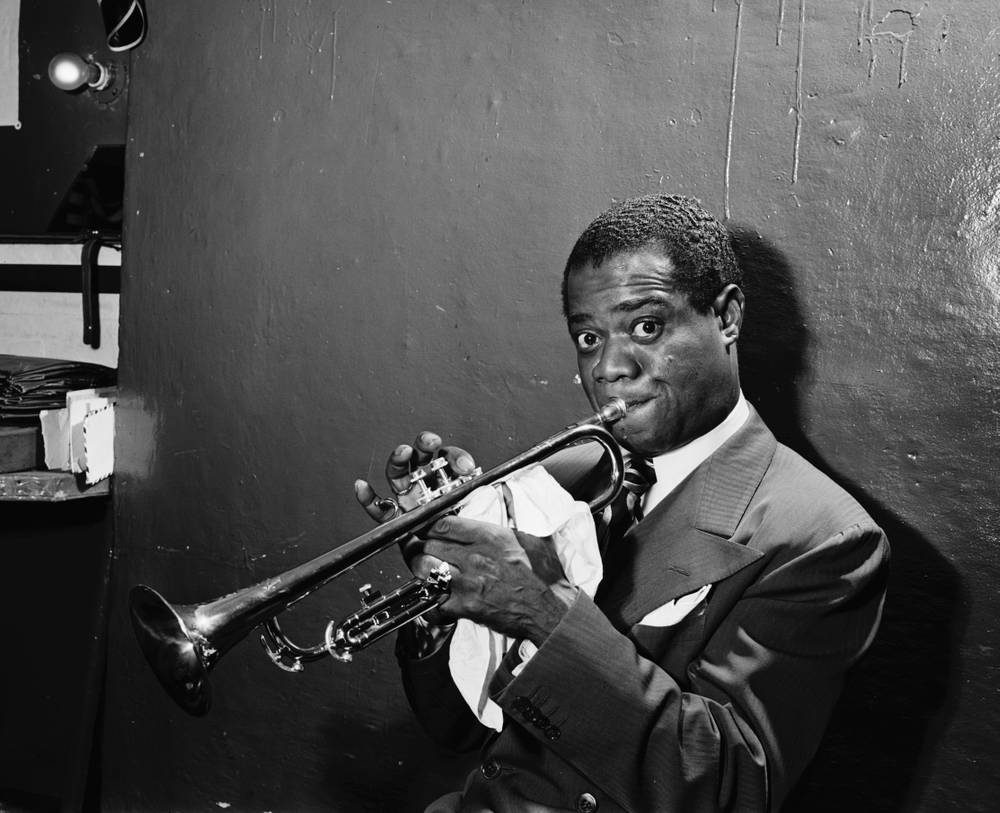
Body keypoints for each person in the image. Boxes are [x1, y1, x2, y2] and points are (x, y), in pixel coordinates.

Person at [355, 194, 889, 813]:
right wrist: (446, 600)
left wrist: (538, 606)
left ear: (727, 317)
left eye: (646, 326)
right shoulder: (562, 476)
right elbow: (459, 731)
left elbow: (732, 790)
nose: (608, 367)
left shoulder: (824, 537)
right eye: (588, 337)